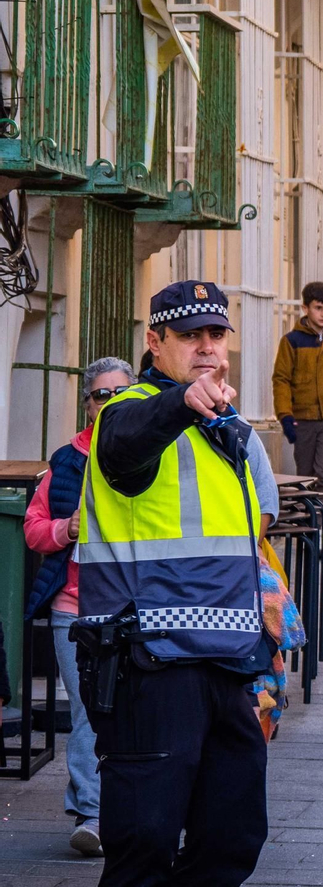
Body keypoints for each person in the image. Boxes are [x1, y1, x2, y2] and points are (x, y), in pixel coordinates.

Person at [77, 282, 274, 885]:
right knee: (145, 840)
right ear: (155, 342)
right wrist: (183, 401)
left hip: (225, 658)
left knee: (234, 833)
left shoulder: (226, 425)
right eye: (190, 337)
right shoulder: (128, 411)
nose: (208, 348)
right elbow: (129, 438)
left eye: (217, 335)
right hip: (149, 663)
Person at [23, 356, 135, 857]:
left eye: (119, 393)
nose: (108, 403)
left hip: (134, 607)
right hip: (73, 609)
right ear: (87, 403)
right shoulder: (66, 460)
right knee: (90, 711)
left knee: (139, 710)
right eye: (100, 395)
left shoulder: (154, 452)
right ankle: (93, 814)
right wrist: (63, 529)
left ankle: (136, 809)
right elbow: (32, 529)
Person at [272, 281, 323, 496]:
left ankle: (322, 528)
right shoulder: (291, 341)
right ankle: (307, 526)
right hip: (302, 419)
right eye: (318, 308)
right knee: (305, 476)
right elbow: (281, 380)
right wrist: (285, 416)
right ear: (305, 308)